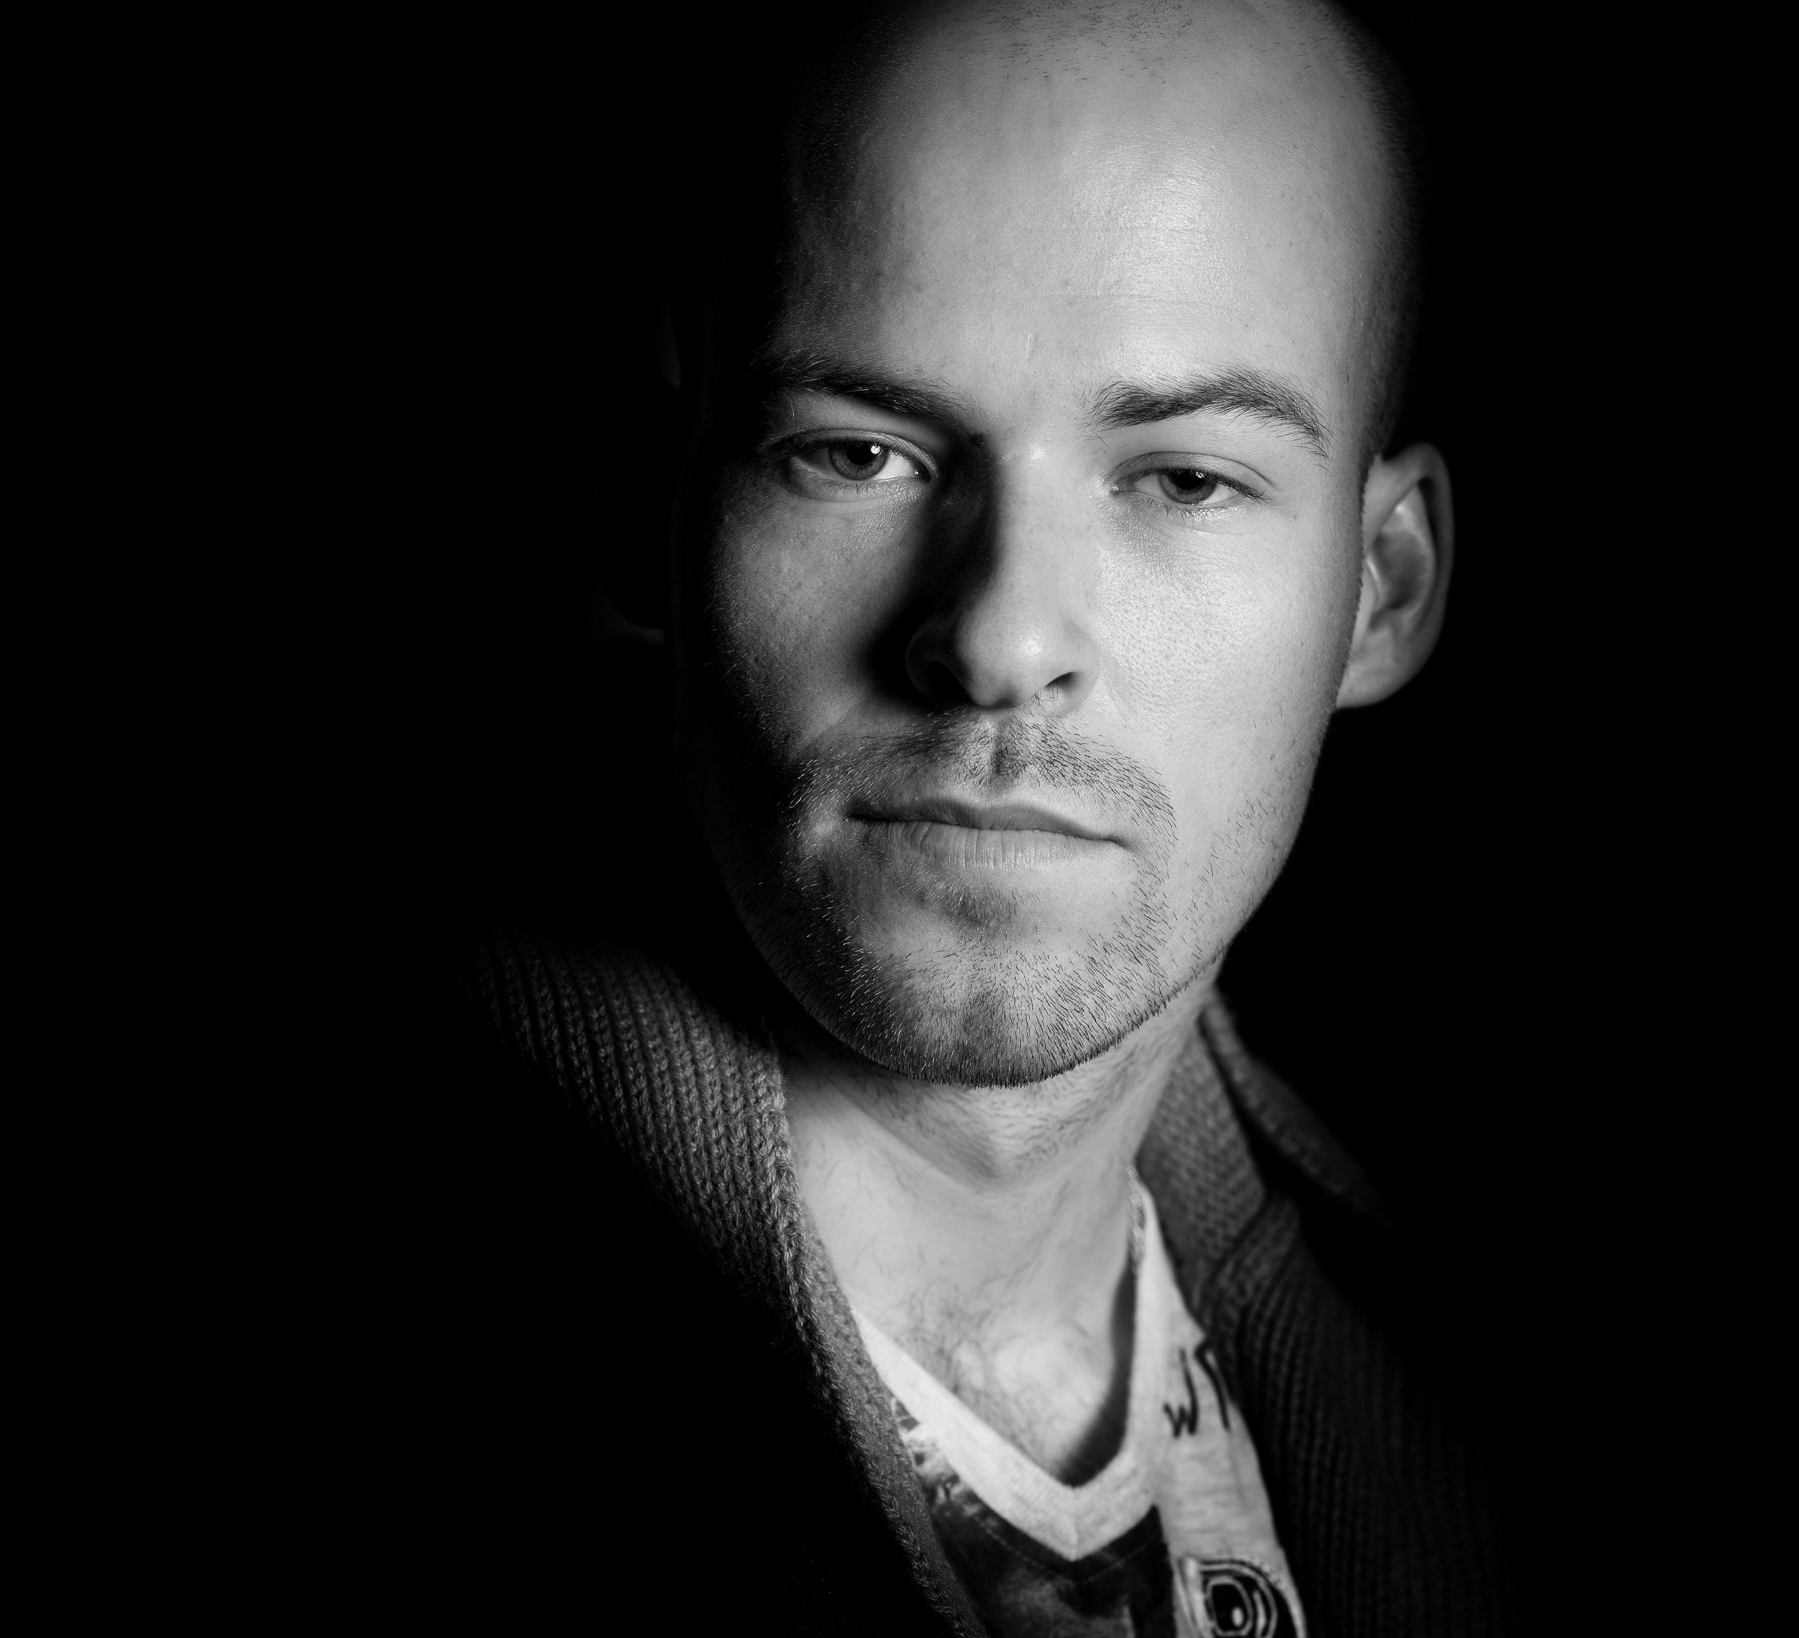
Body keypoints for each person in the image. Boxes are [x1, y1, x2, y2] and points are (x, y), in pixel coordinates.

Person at [409, 2, 1508, 1633]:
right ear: (649, 520)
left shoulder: (1447, 1396)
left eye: (1185, 479)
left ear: (1382, 586)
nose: (998, 639)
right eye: (858, 453)